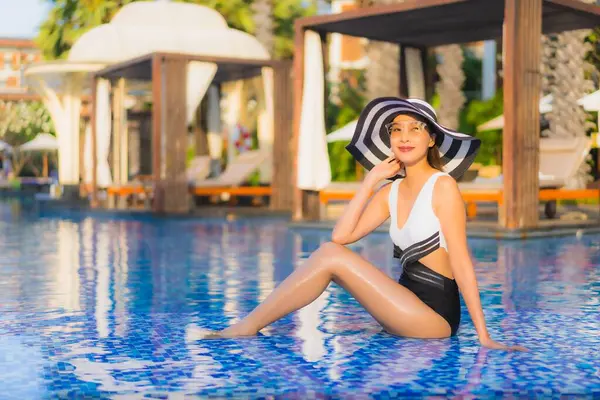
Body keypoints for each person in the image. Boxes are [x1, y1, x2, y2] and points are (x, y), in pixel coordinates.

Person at [207, 98, 527, 351]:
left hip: (434, 320)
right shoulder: (391, 191)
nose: (404, 137)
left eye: (415, 129)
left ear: (432, 139)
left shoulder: (443, 186)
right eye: (397, 129)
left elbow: (461, 261)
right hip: (403, 307)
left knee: (331, 256)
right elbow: (341, 235)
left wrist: (484, 336)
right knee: (330, 252)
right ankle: (249, 325)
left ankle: (247, 326)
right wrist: (371, 180)